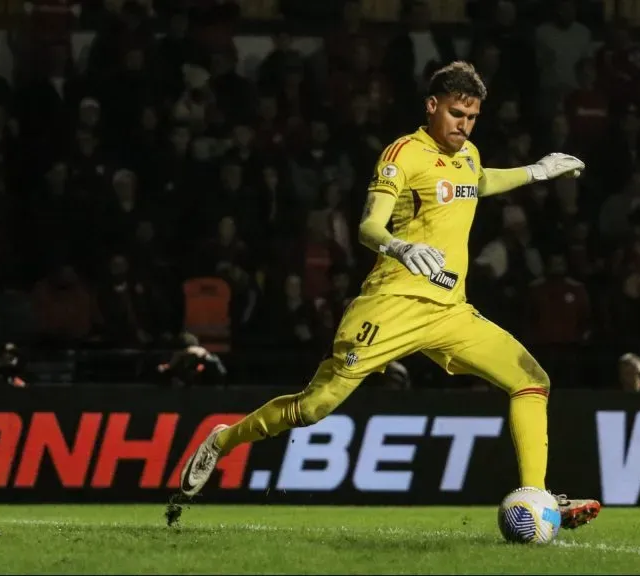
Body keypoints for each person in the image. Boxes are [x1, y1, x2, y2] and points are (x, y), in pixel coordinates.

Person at [177, 61, 601, 529]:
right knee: (315, 406)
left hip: (450, 312)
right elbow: (368, 226)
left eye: (473, 117)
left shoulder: (468, 154)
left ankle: (537, 498)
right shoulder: (403, 154)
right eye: (457, 114)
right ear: (432, 106)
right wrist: (399, 245)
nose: (464, 125)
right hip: (391, 305)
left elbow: (478, 182)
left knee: (531, 381)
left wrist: (537, 171)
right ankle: (223, 440)